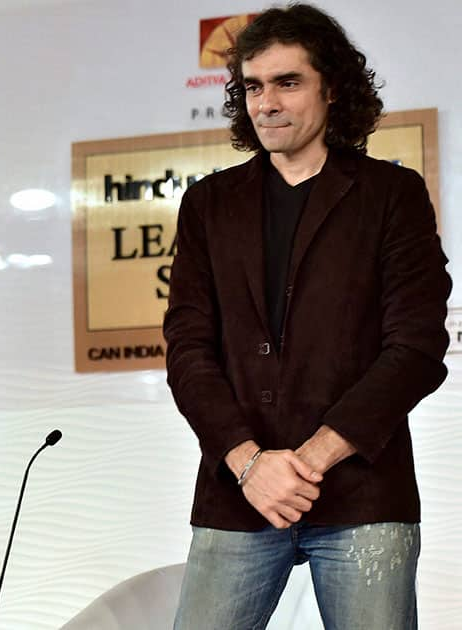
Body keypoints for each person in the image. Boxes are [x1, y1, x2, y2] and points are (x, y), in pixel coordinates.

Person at [164, 5, 450, 629]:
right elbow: (187, 350)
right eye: (253, 86)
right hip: (239, 494)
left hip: (363, 495)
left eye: (287, 82)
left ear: (333, 87)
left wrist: (309, 460)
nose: (266, 102)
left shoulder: (390, 196)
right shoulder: (209, 204)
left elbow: (418, 348)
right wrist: (249, 465)